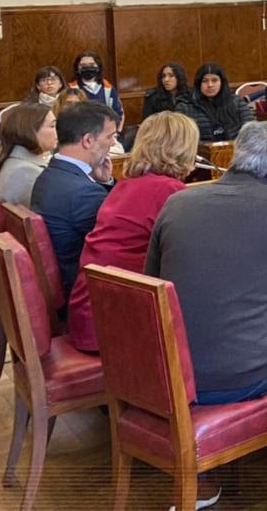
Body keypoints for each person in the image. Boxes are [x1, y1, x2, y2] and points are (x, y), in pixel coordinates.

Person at [145, 122, 267, 511]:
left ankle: (200, 477)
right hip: (242, 374)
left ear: (235, 154)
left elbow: (152, 280)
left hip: (170, 372)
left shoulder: (179, 201)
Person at [66, 111, 200, 353]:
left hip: (90, 314)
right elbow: (194, 263)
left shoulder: (126, 184)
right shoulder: (170, 191)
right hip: (120, 325)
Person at [30, 102, 119, 298]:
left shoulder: (50, 175)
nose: (113, 143)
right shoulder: (82, 193)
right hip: (83, 294)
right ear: (88, 140)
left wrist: (105, 182)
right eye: (110, 136)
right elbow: (116, 243)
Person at [0, 103, 56, 207]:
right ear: (31, 131)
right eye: (52, 126)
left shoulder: (15, 160)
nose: (57, 131)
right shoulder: (26, 172)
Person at [180, 63, 255, 141]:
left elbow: (251, 129)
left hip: (235, 149)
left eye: (214, 80)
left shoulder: (236, 101)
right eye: (205, 81)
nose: (210, 85)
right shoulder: (185, 106)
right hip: (199, 151)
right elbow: (181, 137)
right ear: (198, 84)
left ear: (222, 82)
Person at [71, 51, 124, 130]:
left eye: (91, 65)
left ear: (98, 67)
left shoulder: (108, 88)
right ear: (77, 68)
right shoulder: (71, 89)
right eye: (83, 65)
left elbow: (118, 113)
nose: (87, 67)